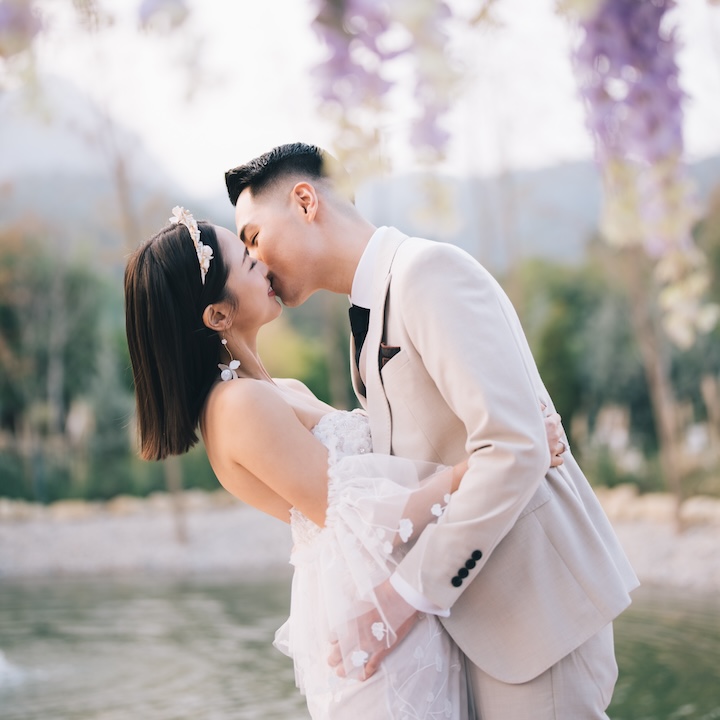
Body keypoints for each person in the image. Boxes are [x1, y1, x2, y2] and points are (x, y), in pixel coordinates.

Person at [224, 142, 640, 720]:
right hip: (473, 622)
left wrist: (399, 599)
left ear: (303, 201)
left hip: (536, 614)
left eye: (252, 237)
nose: (255, 262)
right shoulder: (367, 320)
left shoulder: (428, 273)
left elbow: (514, 448)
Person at [124, 207, 565, 719]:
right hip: (365, 610)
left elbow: (389, 460)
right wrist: (488, 462)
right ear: (218, 315)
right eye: (247, 261)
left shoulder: (279, 391)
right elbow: (361, 519)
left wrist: (507, 434)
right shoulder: (237, 408)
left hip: (393, 598)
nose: (264, 266)